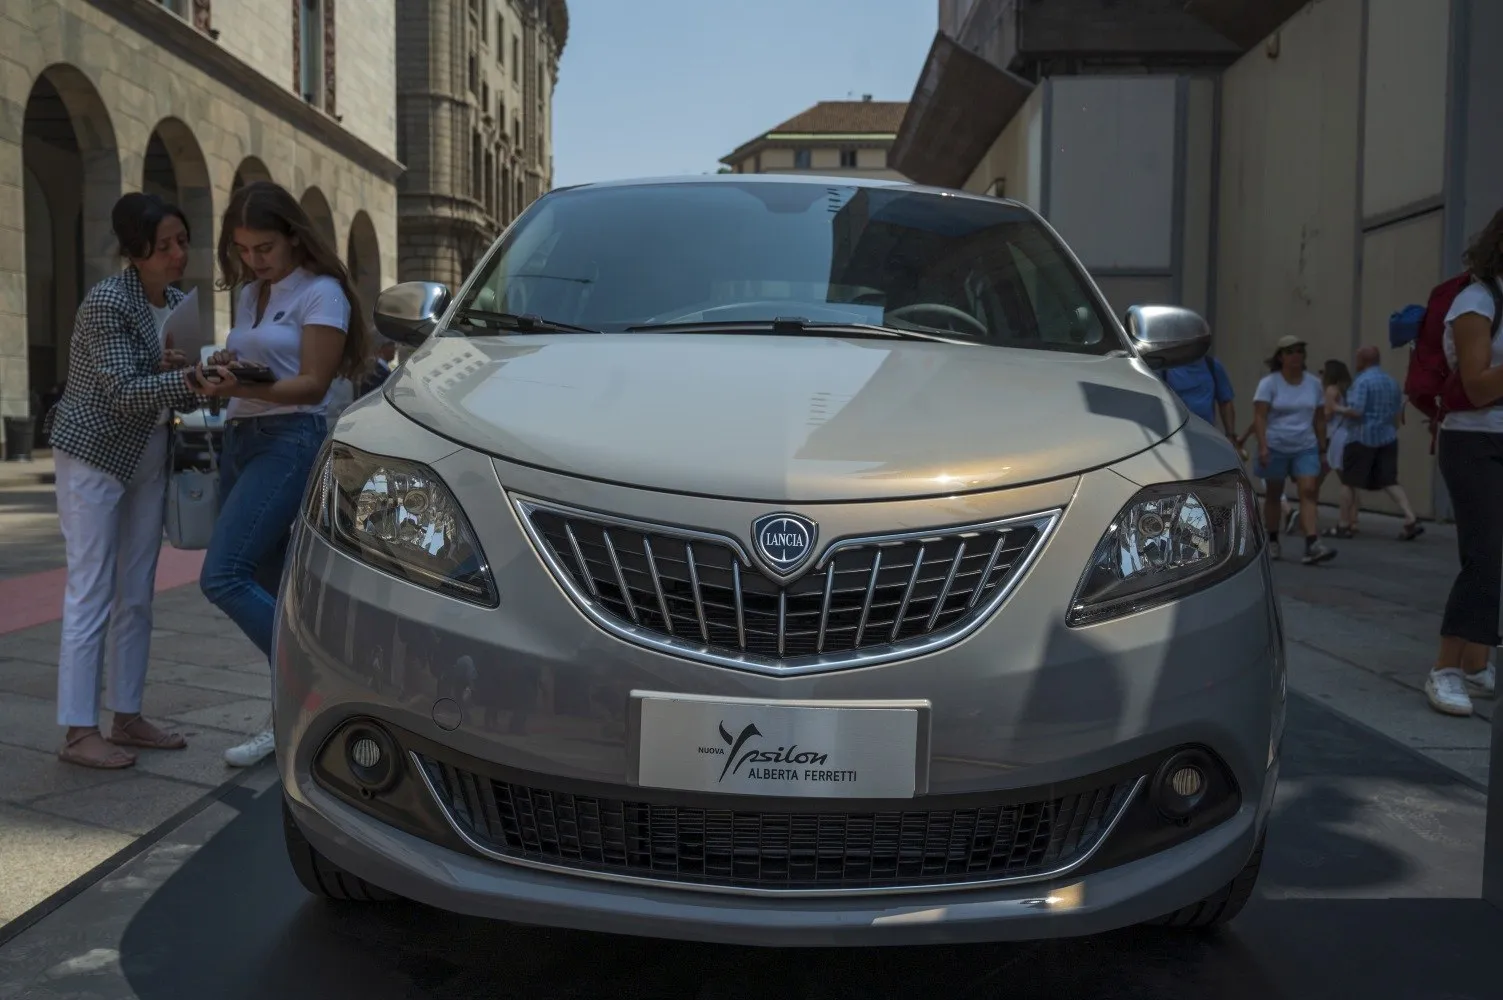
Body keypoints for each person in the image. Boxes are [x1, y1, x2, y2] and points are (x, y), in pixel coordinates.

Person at [190, 180, 371, 765]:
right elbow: (266, 366)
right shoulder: (252, 294)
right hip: (241, 439)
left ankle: (320, 683)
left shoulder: (322, 293)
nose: (254, 259)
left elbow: (313, 386)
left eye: (264, 247)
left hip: (289, 439)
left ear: (293, 236)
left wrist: (238, 385)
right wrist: (230, 367)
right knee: (270, 590)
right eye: (243, 249)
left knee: (223, 576)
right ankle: (289, 716)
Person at [47, 192, 202, 769]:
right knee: (91, 589)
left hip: (149, 454)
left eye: (181, 241)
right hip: (93, 453)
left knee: (137, 593)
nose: (177, 254)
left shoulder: (180, 303)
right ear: (135, 252)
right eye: (163, 246)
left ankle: (128, 715)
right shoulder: (108, 301)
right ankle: (78, 731)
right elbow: (120, 391)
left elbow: (170, 389)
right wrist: (191, 379)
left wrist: (195, 375)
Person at [1424, 208, 1503, 717]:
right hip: (1475, 439)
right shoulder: (1477, 300)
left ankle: (1476, 663)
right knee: (1485, 553)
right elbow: (1475, 386)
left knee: (1494, 555)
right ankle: (1445, 669)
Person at [1252, 335, 1336, 565]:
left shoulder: (1313, 384)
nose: (1296, 356)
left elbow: (1319, 418)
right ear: (1280, 357)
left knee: (1308, 491)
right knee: (1274, 493)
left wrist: (1322, 448)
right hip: (1275, 445)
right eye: (1290, 352)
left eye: (1299, 351)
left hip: (1305, 445)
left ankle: (1312, 543)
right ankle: (1272, 540)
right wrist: (1263, 446)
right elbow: (1260, 416)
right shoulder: (1270, 383)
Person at [1333, 345, 1423, 541]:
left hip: (1361, 437)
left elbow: (1356, 411)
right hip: (1388, 438)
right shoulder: (1391, 382)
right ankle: (1410, 517)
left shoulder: (1362, 381)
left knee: (1349, 481)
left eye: (1357, 358)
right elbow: (1397, 414)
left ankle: (1343, 524)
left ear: (1363, 361)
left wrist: (1337, 408)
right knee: (1389, 480)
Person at [1161, 353, 1237, 444]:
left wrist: (1230, 435)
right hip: (1177, 436)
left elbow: (1225, 402)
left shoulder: (1212, 365)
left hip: (1207, 435)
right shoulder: (1166, 369)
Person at [1319, 358, 1357, 538]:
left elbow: (1326, 415)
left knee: (1340, 481)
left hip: (1333, 438)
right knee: (1349, 482)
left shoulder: (1331, 390)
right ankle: (1353, 520)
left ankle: (1343, 521)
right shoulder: (1349, 390)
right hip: (1349, 435)